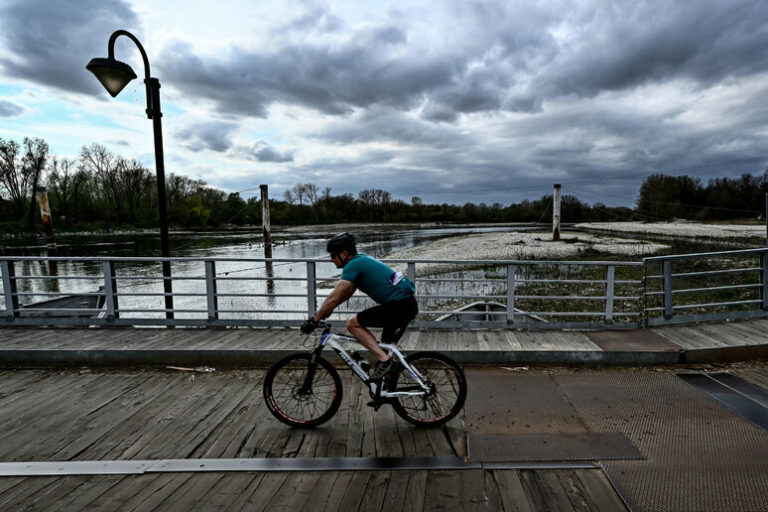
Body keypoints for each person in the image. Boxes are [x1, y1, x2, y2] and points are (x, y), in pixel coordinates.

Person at [300, 233, 418, 380]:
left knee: (352, 324)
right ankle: (388, 389)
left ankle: (386, 362)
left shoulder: (353, 265)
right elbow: (346, 293)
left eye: (333, 255)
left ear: (344, 253)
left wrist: (314, 320)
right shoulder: (361, 260)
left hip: (398, 306)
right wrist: (326, 311)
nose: (331, 259)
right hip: (405, 305)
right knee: (384, 350)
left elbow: (335, 295)